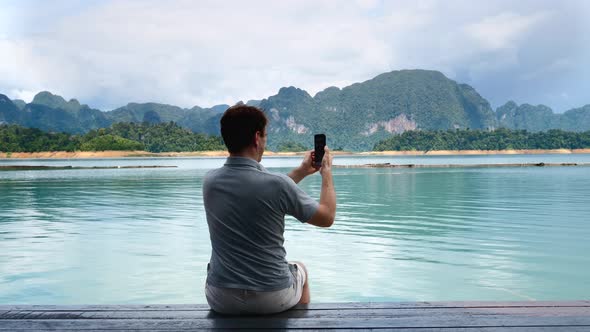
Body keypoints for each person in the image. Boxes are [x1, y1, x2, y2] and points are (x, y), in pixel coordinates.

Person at [203, 104, 336, 315]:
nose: (265, 142)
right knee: (301, 269)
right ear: (257, 138)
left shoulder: (210, 182)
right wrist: (326, 173)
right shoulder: (277, 185)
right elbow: (326, 217)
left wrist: (301, 171)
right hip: (272, 296)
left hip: (220, 297)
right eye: (265, 136)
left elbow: (261, 193)